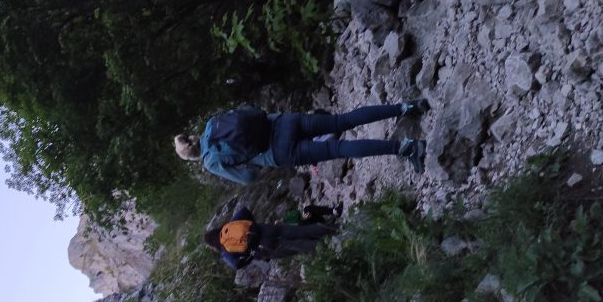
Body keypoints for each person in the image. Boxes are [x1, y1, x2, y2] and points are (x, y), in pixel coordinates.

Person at [175, 100, 430, 185]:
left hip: (279, 152)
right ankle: (406, 107)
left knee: (337, 148)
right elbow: (251, 111)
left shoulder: (210, 161)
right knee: (343, 120)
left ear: (193, 156)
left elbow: (248, 178)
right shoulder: (212, 124)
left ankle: (406, 148)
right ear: (193, 137)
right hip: (284, 122)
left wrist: (253, 161)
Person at [204, 205, 337, 270]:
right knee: (303, 231)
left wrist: (250, 254)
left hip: (267, 248)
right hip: (269, 229)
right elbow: (244, 210)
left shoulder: (225, 252)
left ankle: (335, 245)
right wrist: (253, 227)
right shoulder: (229, 226)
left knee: (301, 246)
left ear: (213, 245)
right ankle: (336, 229)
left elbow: (236, 265)